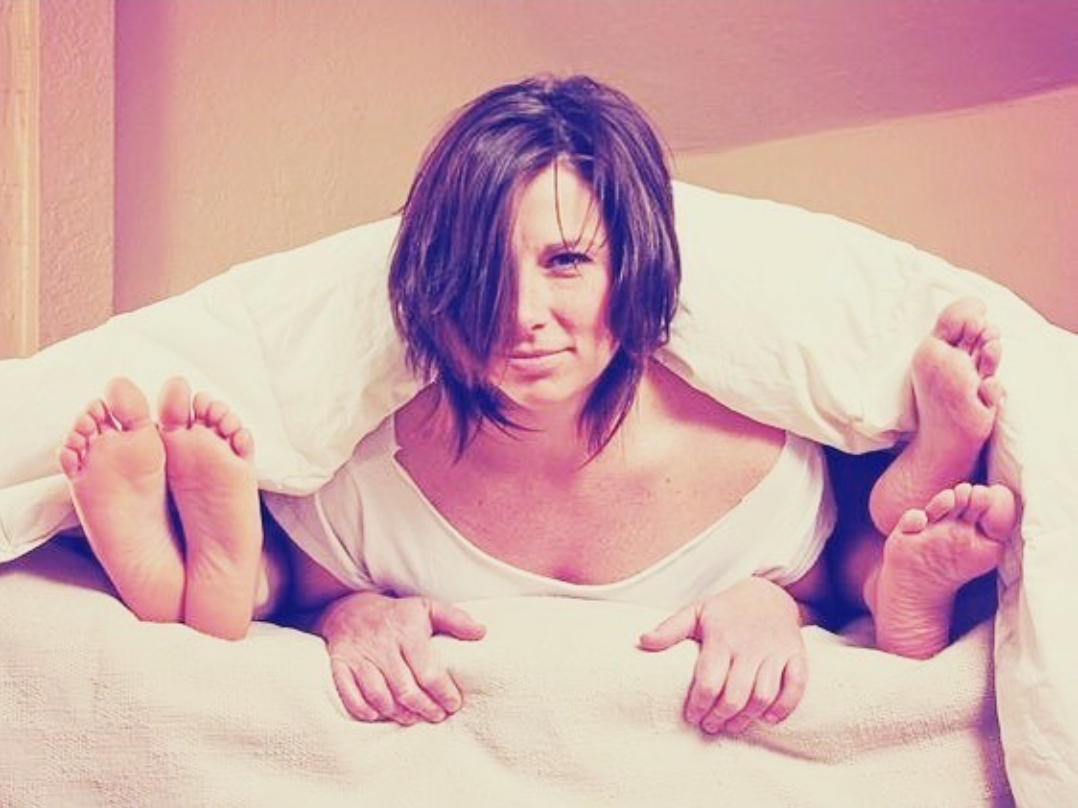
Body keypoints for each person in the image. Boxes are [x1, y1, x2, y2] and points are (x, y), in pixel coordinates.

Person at [58, 75, 1016, 736]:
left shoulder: (757, 460)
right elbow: (310, 590)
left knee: (871, 554)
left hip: (804, 525)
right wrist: (350, 614)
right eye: (485, 266)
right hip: (349, 519)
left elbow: (820, 577)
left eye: (566, 260)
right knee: (260, 584)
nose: (521, 315)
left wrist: (770, 603)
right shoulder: (368, 478)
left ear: (632, 267)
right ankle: (192, 554)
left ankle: (919, 515)